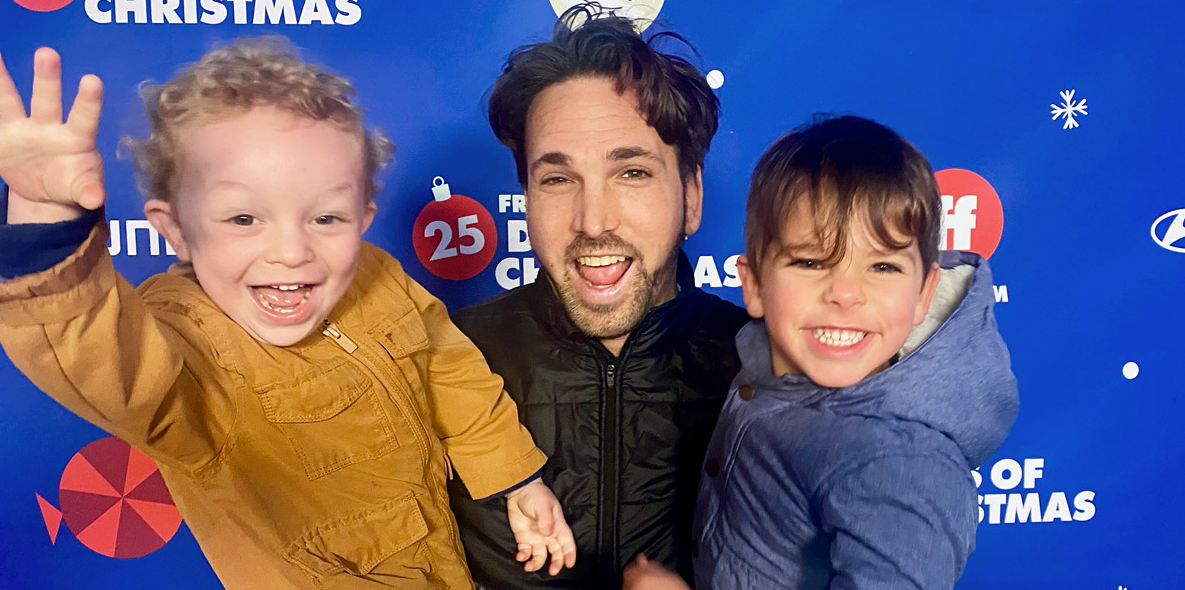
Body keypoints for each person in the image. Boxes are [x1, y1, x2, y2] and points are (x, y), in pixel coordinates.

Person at [0, 39, 576, 589]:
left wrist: (515, 477)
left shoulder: (377, 275)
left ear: (362, 218)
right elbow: (102, 362)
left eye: (325, 218)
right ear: (175, 229)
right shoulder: (186, 338)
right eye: (243, 219)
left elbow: (448, 369)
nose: (292, 251)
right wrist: (47, 232)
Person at [622, 115, 1019, 590]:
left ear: (922, 294)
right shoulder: (764, 372)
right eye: (811, 262)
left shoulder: (895, 460)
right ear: (754, 284)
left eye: (883, 267)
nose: (846, 294)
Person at [446, 7, 751, 590]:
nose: (592, 221)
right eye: (558, 179)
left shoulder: (763, 371)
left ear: (690, 197)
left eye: (631, 172)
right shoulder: (447, 359)